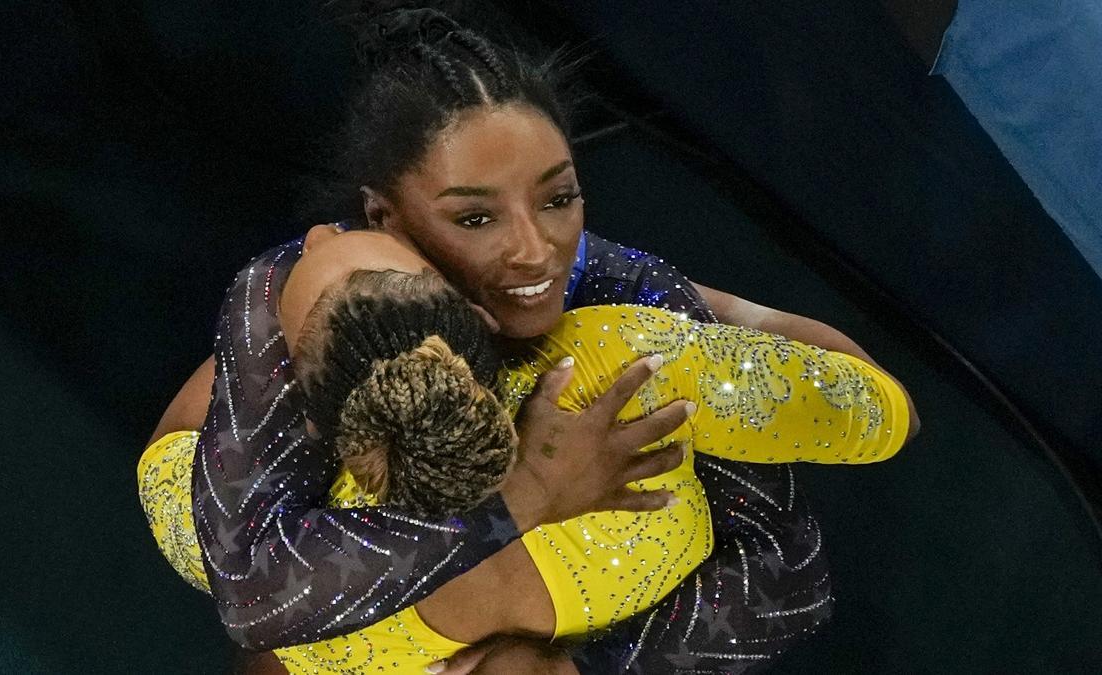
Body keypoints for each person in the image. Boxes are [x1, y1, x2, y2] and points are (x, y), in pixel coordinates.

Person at [148, 6, 920, 672]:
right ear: (386, 217)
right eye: (475, 217)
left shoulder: (616, 305)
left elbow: (788, 574)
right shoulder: (301, 298)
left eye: (559, 197)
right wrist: (525, 499)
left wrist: (578, 668)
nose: (534, 250)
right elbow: (255, 593)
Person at [140, 231, 912, 673]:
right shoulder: (613, 361)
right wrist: (654, 293)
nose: (316, 236)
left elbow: (184, 467)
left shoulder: (244, 554)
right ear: (481, 311)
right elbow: (883, 409)